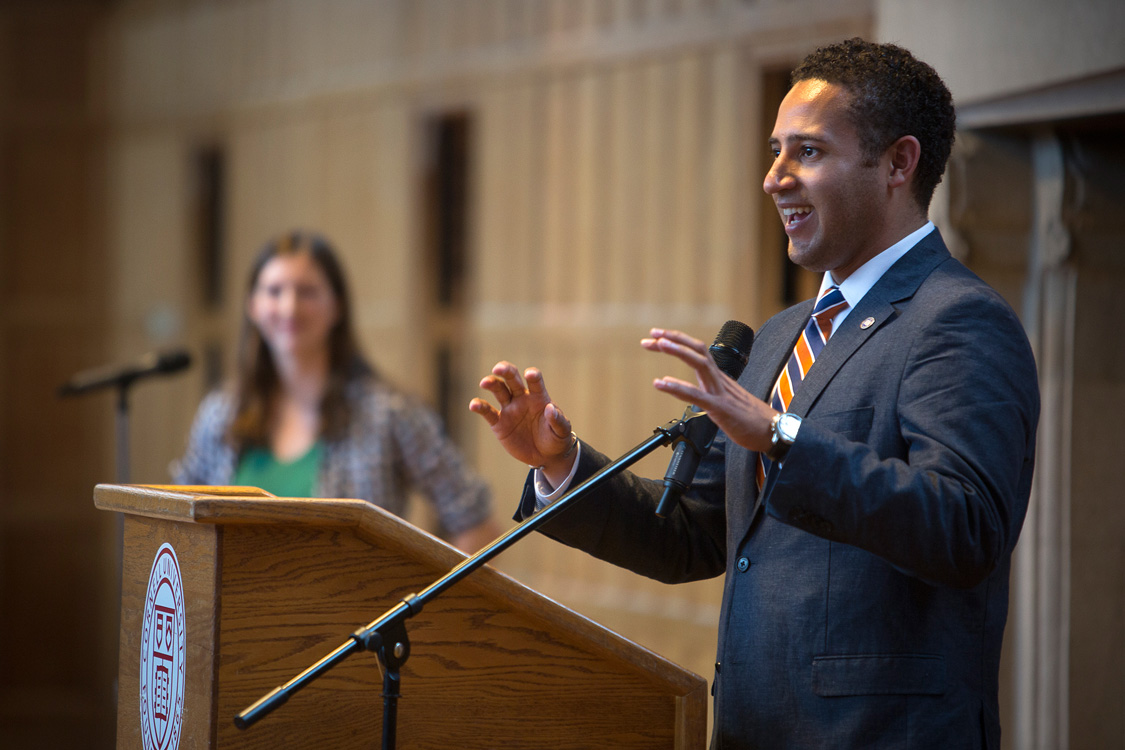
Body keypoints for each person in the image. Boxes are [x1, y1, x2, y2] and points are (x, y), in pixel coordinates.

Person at [470, 38, 1039, 748]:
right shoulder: (778, 338)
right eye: (774, 151)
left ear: (898, 162)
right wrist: (560, 465)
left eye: (807, 152)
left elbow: (965, 531)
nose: (773, 178)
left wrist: (780, 436)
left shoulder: (955, 319)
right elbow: (692, 538)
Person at [175, 230, 501, 553]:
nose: (289, 307)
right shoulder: (220, 414)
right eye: (274, 291)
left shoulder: (389, 412)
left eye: (307, 292)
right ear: (253, 306)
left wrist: (425, 604)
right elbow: (178, 523)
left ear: (337, 306)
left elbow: (477, 524)